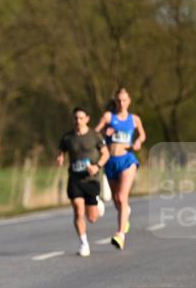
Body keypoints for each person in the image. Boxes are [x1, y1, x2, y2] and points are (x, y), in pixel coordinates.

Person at [94, 87, 146, 250]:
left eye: (124, 100)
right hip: (110, 161)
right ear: (115, 101)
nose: (121, 103)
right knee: (117, 199)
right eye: (118, 100)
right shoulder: (109, 117)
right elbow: (94, 134)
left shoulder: (134, 119)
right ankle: (125, 215)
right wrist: (104, 131)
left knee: (122, 196)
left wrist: (138, 142)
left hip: (127, 160)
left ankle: (120, 234)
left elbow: (142, 135)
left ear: (129, 101)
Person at [56, 107, 109, 257]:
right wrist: (60, 158)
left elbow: (106, 154)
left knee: (92, 218)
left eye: (80, 118)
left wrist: (97, 166)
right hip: (75, 179)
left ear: (87, 119)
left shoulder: (95, 136)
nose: (78, 121)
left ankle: (98, 203)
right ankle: (84, 243)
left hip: (91, 179)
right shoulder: (67, 137)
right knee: (78, 212)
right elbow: (62, 151)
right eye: (75, 118)